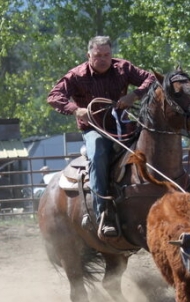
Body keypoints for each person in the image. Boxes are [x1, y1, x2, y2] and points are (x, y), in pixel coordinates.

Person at [47, 35, 156, 237]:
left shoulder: (123, 68)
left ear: (111, 54)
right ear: (89, 55)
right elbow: (54, 96)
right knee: (98, 153)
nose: (103, 59)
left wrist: (134, 95)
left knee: (154, 145)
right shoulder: (77, 75)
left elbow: (151, 78)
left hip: (125, 126)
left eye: (107, 54)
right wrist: (75, 110)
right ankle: (103, 213)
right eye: (98, 55)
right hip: (95, 129)